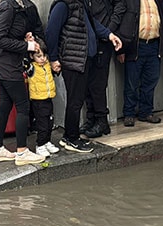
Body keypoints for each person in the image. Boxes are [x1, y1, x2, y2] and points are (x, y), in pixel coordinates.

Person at [46, 0, 122, 153]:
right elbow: (51, 32)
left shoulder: (80, 5)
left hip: (85, 60)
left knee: (78, 99)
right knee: (75, 101)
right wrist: (53, 59)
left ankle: (72, 136)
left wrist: (109, 34)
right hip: (73, 60)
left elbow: (92, 24)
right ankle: (70, 138)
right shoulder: (63, 5)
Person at [0, 0, 46, 166]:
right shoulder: (8, 7)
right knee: (23, 106)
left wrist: (25, 38)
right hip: (8, 67)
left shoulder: (18, 6)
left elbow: (9, 35)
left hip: (5, 65)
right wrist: (27, 45)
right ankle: (22, 151)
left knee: (5, 106)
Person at [116, 0, 163, 128]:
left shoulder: (158, 1)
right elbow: (122, 23)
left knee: (150, 81)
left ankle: (146, 112)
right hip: (136, 46)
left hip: (154, 45)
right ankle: (129, 113)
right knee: (131, 82)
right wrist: (121, 50)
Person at [80, 0, 125, 139]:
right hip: (88, 40)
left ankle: (102, 121)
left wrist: (109, 29)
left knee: (98, 84)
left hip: (103, 40)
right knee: (87, 83)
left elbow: (121, 5)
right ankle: (91, 118)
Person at [26, 39, 60, 157]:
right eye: (39, 56)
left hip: (48, 97)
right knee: (42, 124)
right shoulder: (31, 67)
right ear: (32, 56)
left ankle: (47, 141)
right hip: (38, 100)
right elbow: (24, 59)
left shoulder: (47, 65)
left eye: (44, 56)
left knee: (50, 122)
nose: (43, 59)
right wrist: (29, 43)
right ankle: (40, 144)